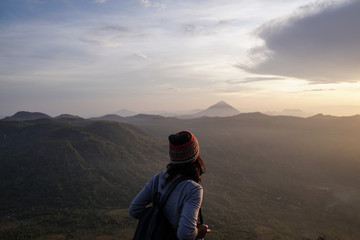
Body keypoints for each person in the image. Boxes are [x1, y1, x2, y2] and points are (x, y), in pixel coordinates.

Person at [129, 130, 210, 240]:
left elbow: (134, 210)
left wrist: (157, 221)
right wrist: (199, 231)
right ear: (195, 156)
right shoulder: (193, 189)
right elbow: (185, 235)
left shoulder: (157, 179)